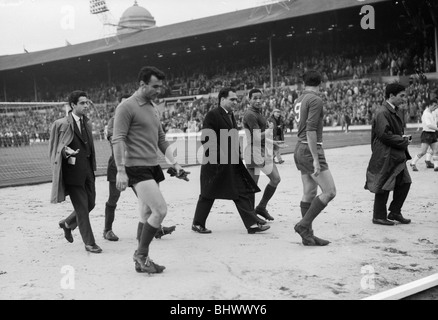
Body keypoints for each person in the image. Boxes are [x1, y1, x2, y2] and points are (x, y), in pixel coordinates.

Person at [112, 66, 187, 274]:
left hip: (152, 166)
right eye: (155, 86)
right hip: (136, 168)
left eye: (160, 86)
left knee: (146, 213)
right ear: (142, 84)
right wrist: (120, 170)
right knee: (160, 210)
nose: (159, 90)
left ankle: (141, 259)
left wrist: (176, 164)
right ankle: (141, 255)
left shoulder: (153, 107)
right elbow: (117, 138)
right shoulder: (126, 107)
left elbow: (161, 140)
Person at [191, 87, 270, 234]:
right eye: (232, 99)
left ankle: (252, 223)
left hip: (231, 162)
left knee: (240, 191)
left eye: (236, 99)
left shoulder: (230, 115)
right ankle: (197, 224)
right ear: (222, 99)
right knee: (208, 194)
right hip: (215, 164)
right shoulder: (212, 115)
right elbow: (206, 139)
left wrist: (237, 154)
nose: (235, 102)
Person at [103, 94, 176, 242]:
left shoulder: (139, 118)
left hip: (136, 165)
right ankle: (107, 230)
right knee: (113, 199)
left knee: (147, 202)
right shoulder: (114, 122)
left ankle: (155, 229)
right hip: (119, 166)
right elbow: (117, 141)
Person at [49, 90, 102, 253]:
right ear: (73, 105)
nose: (86, 105)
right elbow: (56, 150)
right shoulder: (61, 124)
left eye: (87, 103)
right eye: (82, 103)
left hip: (88, 171)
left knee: (90, 203)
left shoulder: (87, 123)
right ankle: (89, 243)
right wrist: (66, 152)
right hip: (72, 173)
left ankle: (67, 224)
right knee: (81, 208)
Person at [293, 70, 336, 246]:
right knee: (330, 191)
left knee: (309, 192)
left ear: (304, 84)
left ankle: (308, 235)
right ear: (321, 83)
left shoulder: (299, 99)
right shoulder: (315, 99)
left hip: (299, 148)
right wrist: (316, 158)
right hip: (310, 149)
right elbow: (311, 130)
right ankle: (303, 226)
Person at [365, 83, 412, 226]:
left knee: (405, 182)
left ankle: (395, 212)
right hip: (386, 154)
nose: (404, 99)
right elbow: (384, 135)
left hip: (394, 153)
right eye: (401, 96)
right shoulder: (382, 112)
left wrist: (401, 140)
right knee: (384, 183)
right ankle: (378, 216)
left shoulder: (392, 110)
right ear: (391, 96)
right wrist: (403, 140)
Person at [243, 89, 283, 222]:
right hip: (254, 152)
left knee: (276, 179)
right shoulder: (250, 115)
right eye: (255, 98)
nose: (258, 100)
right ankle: (250, 215)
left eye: (260, 98)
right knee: (252, 186)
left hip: (262, 150)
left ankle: (261, 207)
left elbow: (261, 136)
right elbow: (255, 137)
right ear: (249, 99)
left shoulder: (258, 113)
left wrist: (273, 142)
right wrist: (270, 130)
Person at [409, 97, 438, 172]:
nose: (436, 108)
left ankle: (436, 166)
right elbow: (429, 125)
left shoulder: (432, 113)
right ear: (430, 105)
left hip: (433, 133)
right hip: (427, 134)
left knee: (435, 150)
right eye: (434, 106)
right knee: (423, 152)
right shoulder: (426, 114)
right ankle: (413, 163)